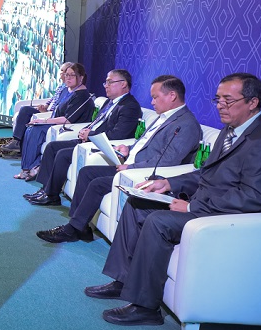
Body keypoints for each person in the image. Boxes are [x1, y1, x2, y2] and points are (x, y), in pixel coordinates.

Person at [86, 73, 261, 326]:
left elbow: (255, 197)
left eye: (228, 100)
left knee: (158, 222)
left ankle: (145, 307)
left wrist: (193, 206)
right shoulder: (230, 131)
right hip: (206, 206)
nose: (220, 106)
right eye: (218, 99)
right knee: (137, 203)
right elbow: (206, 173)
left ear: (252, 102)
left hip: (228, 219)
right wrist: (169, 183)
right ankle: (123, 281)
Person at [34, 76, 203, 242]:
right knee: (87, 172)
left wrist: (131, 168)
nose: (152, 102)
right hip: (129, 164)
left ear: (172, 95)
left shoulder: (186, 124)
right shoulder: (164, 116)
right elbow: (145, 143)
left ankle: (72, 229)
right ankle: (80, 226)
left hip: (143, 175)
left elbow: (167, 161)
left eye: (155, 97)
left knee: (97, 183)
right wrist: (128, 149)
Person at [27, 69, 142, 205]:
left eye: (110, 82)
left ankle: (52, 195)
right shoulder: (109, 102)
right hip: (88, 139)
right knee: (52, 147)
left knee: (63, 154)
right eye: (105, 82)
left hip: (99, 144)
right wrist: (86, 130)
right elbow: (98, 122)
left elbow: (119, 134)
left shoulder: (130, 106)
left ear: (123, 84)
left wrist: (91, 135)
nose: (106, 86)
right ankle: (45, 189)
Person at [15, 62, 94, 180]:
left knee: (35, 130)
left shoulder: (81, 96)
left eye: (72, 75)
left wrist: (44, 121)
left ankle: (30, 167)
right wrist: (42, 120)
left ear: (81, 78)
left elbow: (67, 119)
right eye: (66, 74)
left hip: (67, 127)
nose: (68, 78)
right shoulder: (68, 91)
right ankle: (29, 167)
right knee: (31, 127)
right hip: (56, 123)